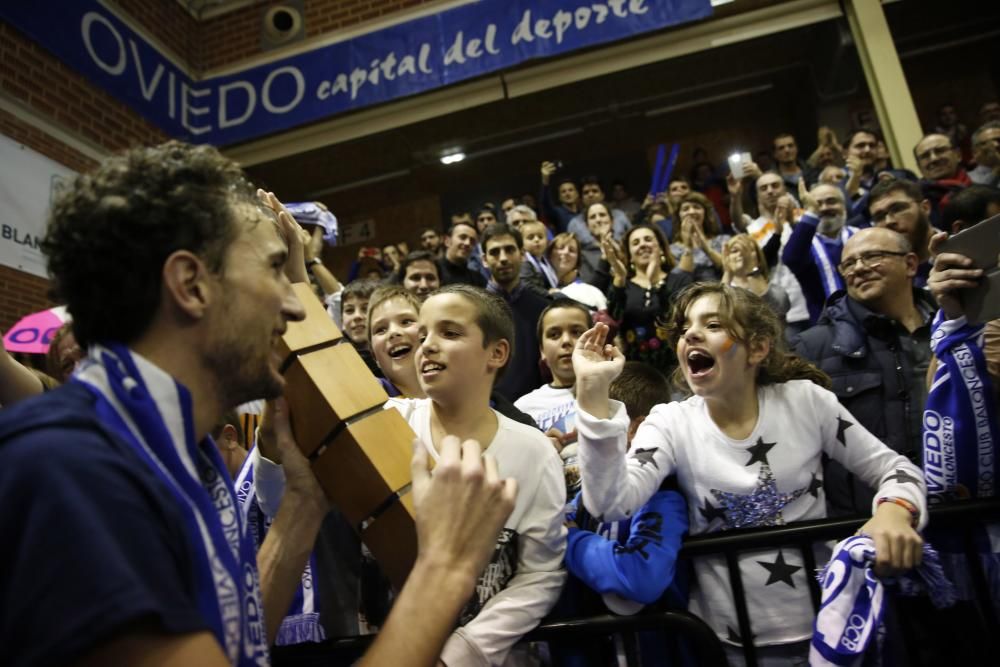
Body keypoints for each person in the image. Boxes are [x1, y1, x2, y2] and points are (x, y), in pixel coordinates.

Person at [0, 141, 521, 667]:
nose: (294, 303)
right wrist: (444, 571)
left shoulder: (179, 451)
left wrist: (301, 504)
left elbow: (229, 647)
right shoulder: (75, 468)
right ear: (191, 285)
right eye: (275, 269)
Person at [571, 283, 926, 665]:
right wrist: (593, 394)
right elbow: (610, 503)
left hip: (831, 632)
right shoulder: (670, 421)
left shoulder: (807, 401)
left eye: (713, 324)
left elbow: (897, 469)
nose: (691, 333)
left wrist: (894, 510)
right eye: (686, 326)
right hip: (725, 646)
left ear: (757, 348)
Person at [391, 284, 567, 666]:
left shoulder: (533, 451)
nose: (427, 346)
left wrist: (467, 650)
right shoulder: (386, 425)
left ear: (497, 353)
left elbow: (542, 574)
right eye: (422, 336)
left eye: (449, 333)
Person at [792, 228, 936, 516]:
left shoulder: (951, 328)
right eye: (849, 264)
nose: (858, 268)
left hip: (964, 511)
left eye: (872, 257)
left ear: (910, 264)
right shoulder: (812, 347)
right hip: (867, 524)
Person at [515, 300, 593, 499]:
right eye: (554, 334)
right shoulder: (522, 409)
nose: (566, 341)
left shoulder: (617, 395)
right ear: (541, 350)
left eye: (576, 332)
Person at [605, 223, 693, 374]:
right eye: (635, 243)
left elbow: (679, 319)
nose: (643, 245)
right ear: (630, 256)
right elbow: (613, 319)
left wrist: (656, 284)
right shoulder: (622, 286)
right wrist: (619, 278)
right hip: (635, 372)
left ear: (660, 248)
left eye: (648, 239)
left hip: (678, 369)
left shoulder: (680, 280)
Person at [481, 223, 549, 402]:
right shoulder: (472, 309)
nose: (503, 258)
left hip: (536, 408)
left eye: (510, 250)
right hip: (487, 408)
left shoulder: (543, 308)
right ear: (484, 260)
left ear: (522, 254)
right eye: (494, 252)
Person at [781, 183, 862, 323]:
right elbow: (791, 258)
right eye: (817, 204)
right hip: (828, 326)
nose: (824, 208)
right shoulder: (804, 243)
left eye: (831, 201)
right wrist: (812, 211)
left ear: (843, 205)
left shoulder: (861, 235)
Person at [867, 177, 934, 286]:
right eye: (879, 217)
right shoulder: (883, 280)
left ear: (925, 208)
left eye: (897, 209)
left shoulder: (961, 249)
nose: (889, 221)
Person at [722, 234, 789, 319]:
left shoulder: (773, 284)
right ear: (727, 258)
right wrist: (727, 273)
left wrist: (751, 270)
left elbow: (779, 309)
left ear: (759, 259)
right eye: (735, 251)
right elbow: (718, 313)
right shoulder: (724, 286)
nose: (742, 254)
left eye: (749, 250)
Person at [670, 191, 730, 282]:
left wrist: (707, 249)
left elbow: (731, 269)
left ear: (705, 213)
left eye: (696, 207)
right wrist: (688, 246)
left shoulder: (722, 241)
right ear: (679, 216)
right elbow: (679, 281)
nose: (691, 212)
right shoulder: (672, 250)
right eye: (685, 209)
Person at [545, 232, 609, 311]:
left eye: (571, 250)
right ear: (549, 253)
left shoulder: (583, 289)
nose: (566, 252)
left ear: (577, 261)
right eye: (561, 248)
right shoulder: (538, 278)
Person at [566, 176, 631, 245]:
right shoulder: (574, 224)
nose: (590, 195)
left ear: (602, 195)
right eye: (586, 192)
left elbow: (632, 239)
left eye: (595, 191)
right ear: (581, 198)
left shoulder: (620, 216)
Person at [340, 278, 382, 376]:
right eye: (349, 310)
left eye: (365, 308)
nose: (357, 316)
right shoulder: (338, 360)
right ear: (341, 320)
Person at [437, 219, 487, 288]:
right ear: (447, 241)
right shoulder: (434, 272)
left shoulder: (478, 279)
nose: (467, 243)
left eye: (472, 241)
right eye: (462, 237)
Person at [540, 161, 581, 233]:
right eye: (563, 192)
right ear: (559, 197)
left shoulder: (584, 213)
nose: (567, 193)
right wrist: (545, 181)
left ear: (577, 194)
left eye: (570, 190)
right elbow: (545, 203)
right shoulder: (558, 213)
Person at [519, 219, 559, 292]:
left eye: (540, 237)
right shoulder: (523, 262)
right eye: (531, 237)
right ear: (521, 243)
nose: (536, 240)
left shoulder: (546, 261)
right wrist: (548, 293)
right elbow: (527, 286)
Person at [969, 121, 1000, 187]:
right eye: (987, 143)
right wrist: (997, 169)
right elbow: (978, 194)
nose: (996, 145)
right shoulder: (967, 178)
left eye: (999, 141)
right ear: (974, 152)